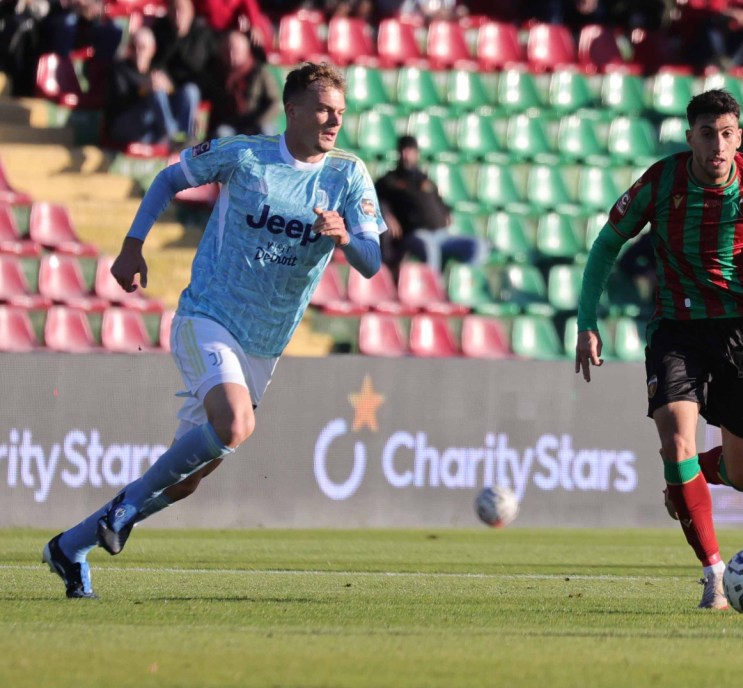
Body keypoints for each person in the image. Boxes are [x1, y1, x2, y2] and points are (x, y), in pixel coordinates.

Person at [42, 62, 386, 598]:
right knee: (233, 425)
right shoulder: (245, 155)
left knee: (188, 480)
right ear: (292, 109)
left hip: (264, 345)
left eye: (340, 111)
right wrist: (133, 245)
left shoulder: (347, 175)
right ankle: (124, 508)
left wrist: (344, 237)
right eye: (323, 108)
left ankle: (72, 546)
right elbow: (168, 178)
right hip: (207, 317)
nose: (334, 119)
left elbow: (371, 261)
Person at [574, 90, 743, 609]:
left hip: (741, 331)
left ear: (739, 137)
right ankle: (714, 575)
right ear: (690, 136)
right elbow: (607, 244)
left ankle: (684, 481)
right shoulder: (661, 181)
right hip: (676, 328)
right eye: (708, 134)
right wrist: (587, 322)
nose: (718, 145)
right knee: (676, 441)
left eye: (728, 134)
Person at [374, 135, 487, 277]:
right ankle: (434, 291)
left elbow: (440, 202)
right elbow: (374, 201)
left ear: (416, 153)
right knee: (429, 247)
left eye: (409, 150)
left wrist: (446, 213)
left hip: (442, 234)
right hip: (415, 234)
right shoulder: (390, 180)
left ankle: (466, 285)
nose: (406, 154)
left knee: (477, 245)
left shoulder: (425, 180)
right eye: (403, 150)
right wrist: (386, 215)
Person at [104, 25, 200, 146]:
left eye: (143, 47)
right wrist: (144, 90)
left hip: (152, 129)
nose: (138, 52)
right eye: (134, 47)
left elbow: (172, 98)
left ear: (152, 50)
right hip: (127, 125)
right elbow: (119, 102)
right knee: (156, 92)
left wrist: (169, 88)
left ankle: (188, 138)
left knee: (191, 90)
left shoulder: (158, 69)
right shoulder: (120, 69)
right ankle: (171, 137)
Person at [208, 29, 282, 138]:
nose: (231, 55)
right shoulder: (217, 73)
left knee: (265, 131)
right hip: (232, 124)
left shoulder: (260, 72)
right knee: (221, 134)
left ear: (245, 50)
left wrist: (257, 122)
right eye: (227, 51)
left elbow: (275, 102)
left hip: (258, 122)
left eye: (235, 50)